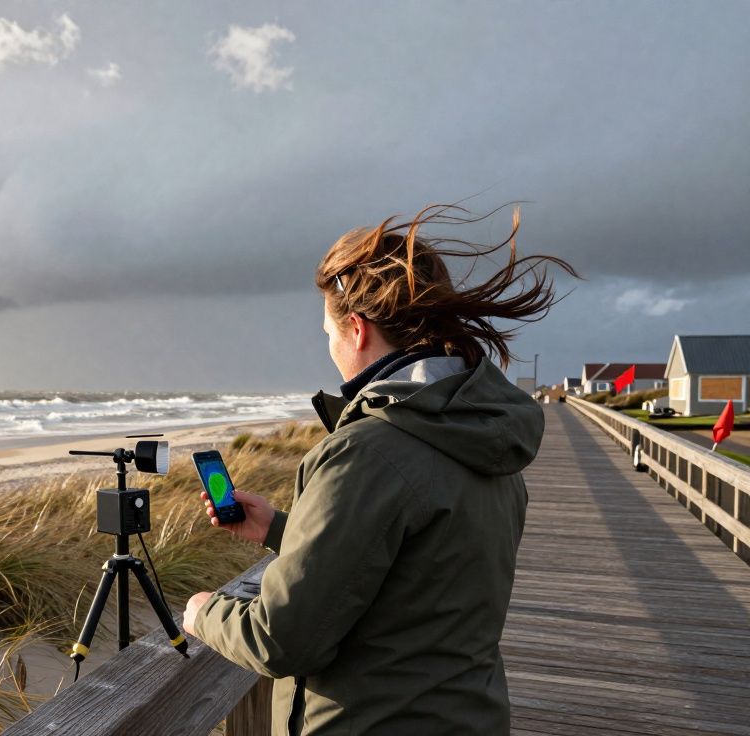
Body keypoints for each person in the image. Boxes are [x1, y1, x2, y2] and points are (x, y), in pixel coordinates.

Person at [182, 204, 577, 735]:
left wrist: (203, 612)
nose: (329, 346)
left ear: (358, 329)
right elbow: (420, 569)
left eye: (328, 331)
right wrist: (281, 528)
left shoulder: (367, 451)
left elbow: (282, 639)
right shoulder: (485, 432)